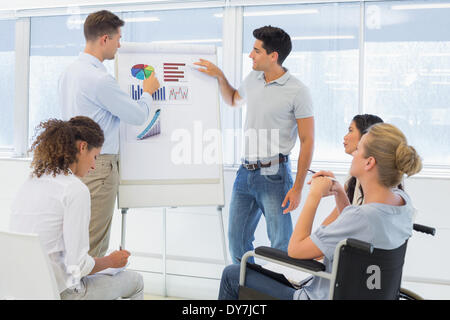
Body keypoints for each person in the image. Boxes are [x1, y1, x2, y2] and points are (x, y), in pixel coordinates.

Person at [218, 122, 422, 300]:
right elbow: (359, 228)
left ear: (369, 162)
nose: (353, 154)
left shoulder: (361, 217)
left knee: (232, 274)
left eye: (358, 149)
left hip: (317, 296)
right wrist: (340, 194)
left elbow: (295, 251)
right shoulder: (402, 203)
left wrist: (314, 196)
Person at [195, 26, 314, 264]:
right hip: (245, 172)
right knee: (237, 239)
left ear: (273, 56)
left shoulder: (298, 91)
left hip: (274, 173)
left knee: (280, 242)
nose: (250, 55)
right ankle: (248, 287)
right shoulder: (253, 78)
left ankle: (277, 291)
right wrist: (220, 75)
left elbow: (307, 140)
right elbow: (232, 100)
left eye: (256, 51)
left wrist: (298, 187)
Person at [58, 10, 160, 257]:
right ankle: (86, 293)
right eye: (117, 38)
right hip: (98, 165)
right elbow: (137, 116)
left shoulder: (69, 72)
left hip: (74, 162)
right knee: (93, 241)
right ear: (104, 39)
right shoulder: (99, 79)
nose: (120, 44)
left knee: (75, 236)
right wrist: (148, 91)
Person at [10, 117, 144, 300]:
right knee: (135, 282)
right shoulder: (74, 189)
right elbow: (78, 267)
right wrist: (110, 261)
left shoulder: (31, 181)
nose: (94, 166)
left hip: (22, 290)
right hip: (61, 293)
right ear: (82, 148)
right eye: (95, 156)